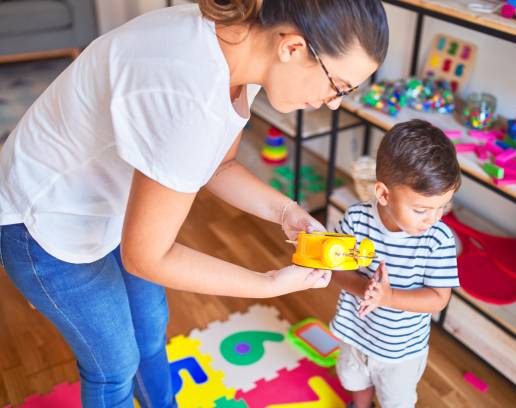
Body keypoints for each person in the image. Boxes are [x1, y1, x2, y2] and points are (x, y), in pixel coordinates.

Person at [0, 1, 389, 406]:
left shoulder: (246, 49)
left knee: (150, 330)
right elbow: (147, 257)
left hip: (111, 205)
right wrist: (269, 283)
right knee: (113, 366)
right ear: (292, 48)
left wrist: (285, 211)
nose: (334, 102)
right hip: (43, 219)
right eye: (338, 85)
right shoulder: (190, 92)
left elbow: (220, 165)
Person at [330, 120, 461, 408]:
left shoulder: (437, 239)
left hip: (399, 351)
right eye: (421, 210)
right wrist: (365, 287)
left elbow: (439, 298)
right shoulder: (356, 219)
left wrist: (388, 297)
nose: (434, 218)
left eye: (443, 206)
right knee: (355, 381)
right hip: (356, 332)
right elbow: (335, 269)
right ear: (384, 194)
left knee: (396, 400)